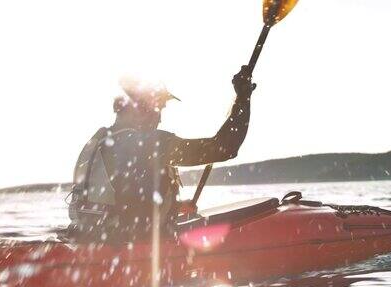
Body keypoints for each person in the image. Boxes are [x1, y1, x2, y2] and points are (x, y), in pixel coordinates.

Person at [67, 66, 255, 243]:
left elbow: (126, 199)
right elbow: (224, 148)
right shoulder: (146, 144)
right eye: (159, 108)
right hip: (130, 249)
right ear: (141, 108)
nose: (160, 118)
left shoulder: (101, 142)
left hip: (93, 240)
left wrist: (177, 207)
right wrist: (242, 99)